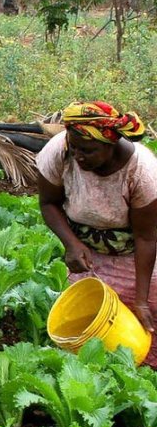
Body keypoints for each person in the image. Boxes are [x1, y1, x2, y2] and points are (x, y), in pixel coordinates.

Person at [36, 101, 157, 365]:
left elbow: (146, 238)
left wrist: (142, 299)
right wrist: (71, 243)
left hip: (137, 254)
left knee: (146, 325)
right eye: (74, 146)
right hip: (88, 251)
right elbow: (48, 203)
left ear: (110, 144)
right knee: (88, 324)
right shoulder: (59, 152)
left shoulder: (143, 172)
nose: (78, 156)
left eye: (88, 151)